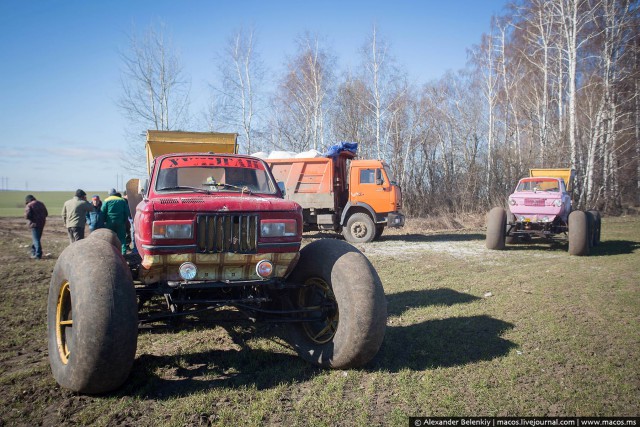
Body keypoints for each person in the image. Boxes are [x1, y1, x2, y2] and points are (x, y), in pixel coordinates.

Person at [102, 188, 129, 254]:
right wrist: (125, 220)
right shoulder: (122, 200)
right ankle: (123, 253)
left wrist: (105, 221)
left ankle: (110, 252)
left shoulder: (106, 200)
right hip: (120, 222)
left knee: (110, 237)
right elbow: (126, 212)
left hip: (110, 222)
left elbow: (103, 212)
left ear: (109, 194)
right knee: (122, 238)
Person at [24, 195, 48, 259]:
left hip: (34, 224)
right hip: (42, 223)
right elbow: (46, 213)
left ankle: (38, 255)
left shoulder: (29, 205)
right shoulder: (41, 203)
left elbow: (27, 216)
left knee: (36, 239)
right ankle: (33, 252)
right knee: (37, 238)